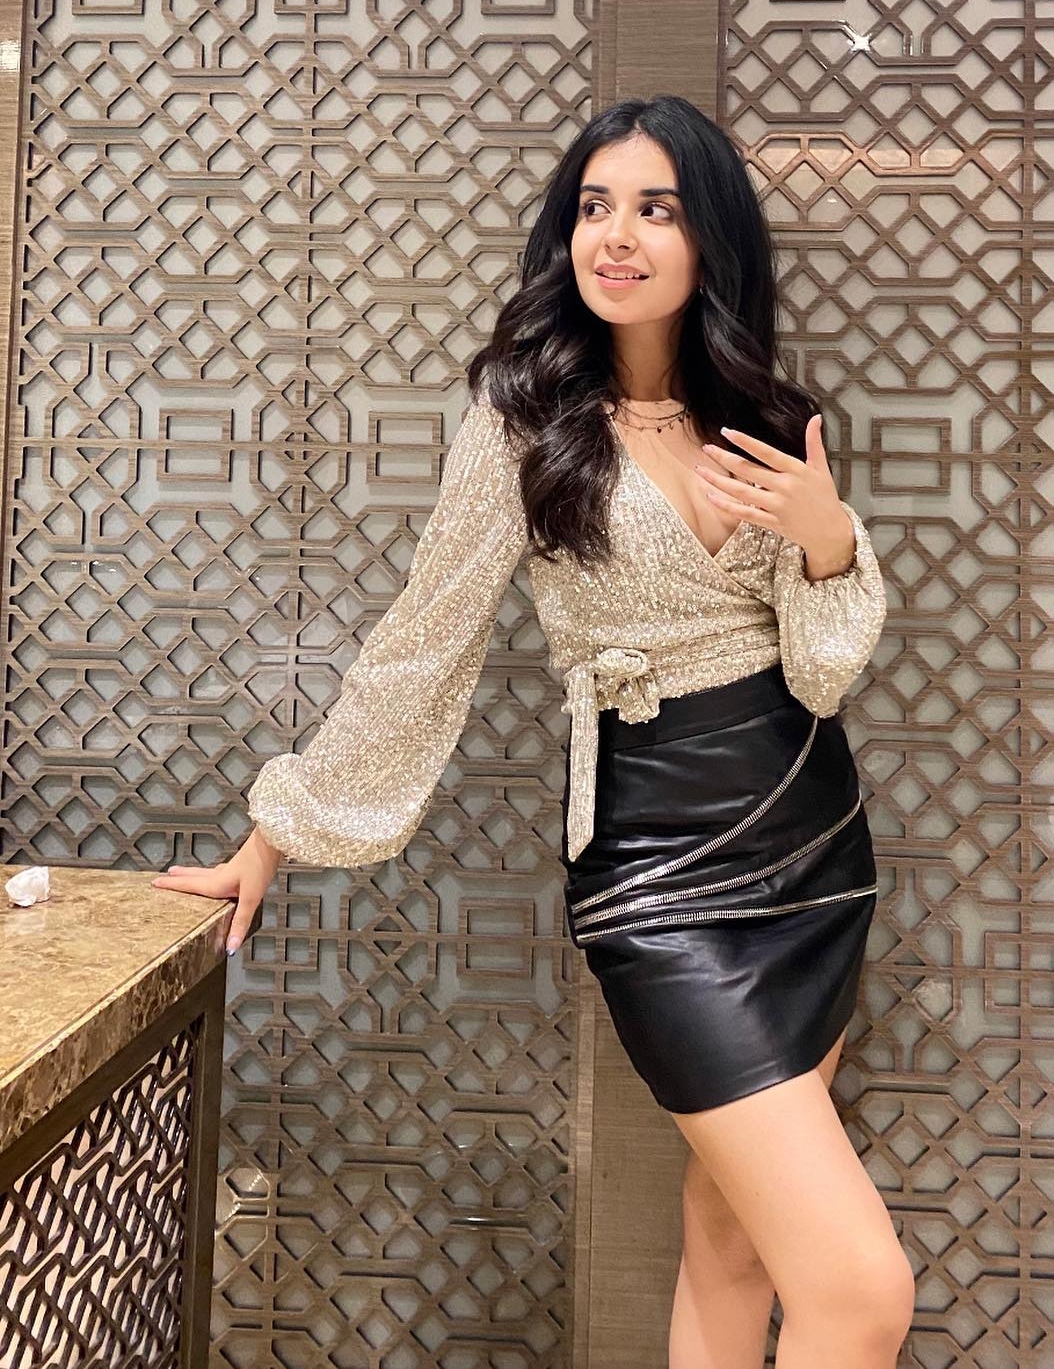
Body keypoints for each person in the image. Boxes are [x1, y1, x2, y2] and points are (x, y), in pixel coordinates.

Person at [153, 94, 914, 1367]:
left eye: (656, 209)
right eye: (594, 206)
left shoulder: (767, 421)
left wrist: (830, 541)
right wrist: (272, 835)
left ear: (709, 237)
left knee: (732, 1236)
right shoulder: (524, 421)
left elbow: (824, 670)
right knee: (862, 1290)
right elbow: (424, 641)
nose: (616, 235)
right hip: (658, 868)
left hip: (813, 845)